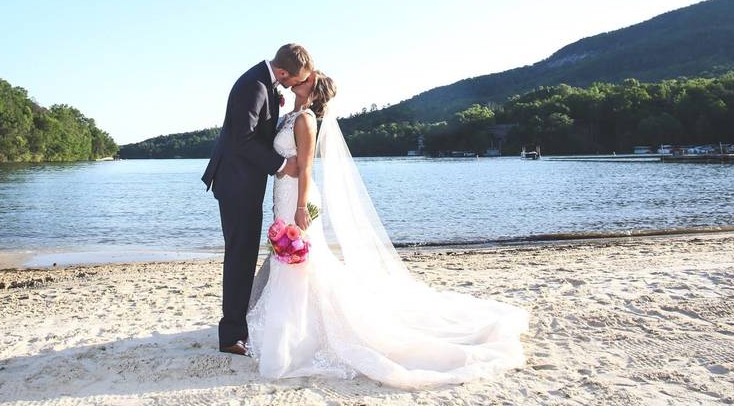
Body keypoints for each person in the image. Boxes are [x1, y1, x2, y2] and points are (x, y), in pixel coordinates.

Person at [247, 71, 530, 389]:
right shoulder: (291, 115)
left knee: (303, 261)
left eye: (304, 78)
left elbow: (308, 167)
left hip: (298, 195)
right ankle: (291, 324)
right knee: (294, 262)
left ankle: (300, 331)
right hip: (284, 192)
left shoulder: (306, 119)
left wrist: (301, 207)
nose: (297, 79)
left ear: (312, 90)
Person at [201, 43, 314, 355]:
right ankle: (232, 336)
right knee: (240, 256)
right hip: (237, 184)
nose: (293, 86)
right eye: (293, 80)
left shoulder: (263, 82)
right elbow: (244, 139)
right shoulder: (254, 86)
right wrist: (280, 165)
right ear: (281, 72)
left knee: (245, 254)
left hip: (243, 183)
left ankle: (239, 325)